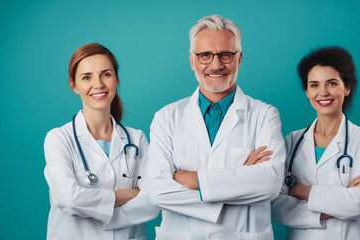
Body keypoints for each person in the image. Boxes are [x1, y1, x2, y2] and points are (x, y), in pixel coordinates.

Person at [148, 15, 285, 239]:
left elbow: (269, 184)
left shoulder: (265, 115)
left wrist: (196, 180)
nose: (216, 64)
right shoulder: (165, 118)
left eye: (225, 55)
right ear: (192, 61)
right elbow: (158, 192)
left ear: (239, 59)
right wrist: (241, 175)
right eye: (205, 56)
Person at [44, 43, 159, 240]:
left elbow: (153, 201)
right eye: (87, 77)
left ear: (116, 79)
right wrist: (129, 194)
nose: (98, 84)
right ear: (74, 85)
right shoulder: (59, 139)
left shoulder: (136, 139)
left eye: (105, 74)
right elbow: (69, 199)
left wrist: (93, 209)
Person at [272, 47, 360, 240]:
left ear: (347, 88)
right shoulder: (292, 142)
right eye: (314, 85)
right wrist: (339, 200)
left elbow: (358, 205)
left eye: (331, 83)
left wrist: (300, 191)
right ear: (306, 91)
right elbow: (276, 204)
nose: (323, 92)